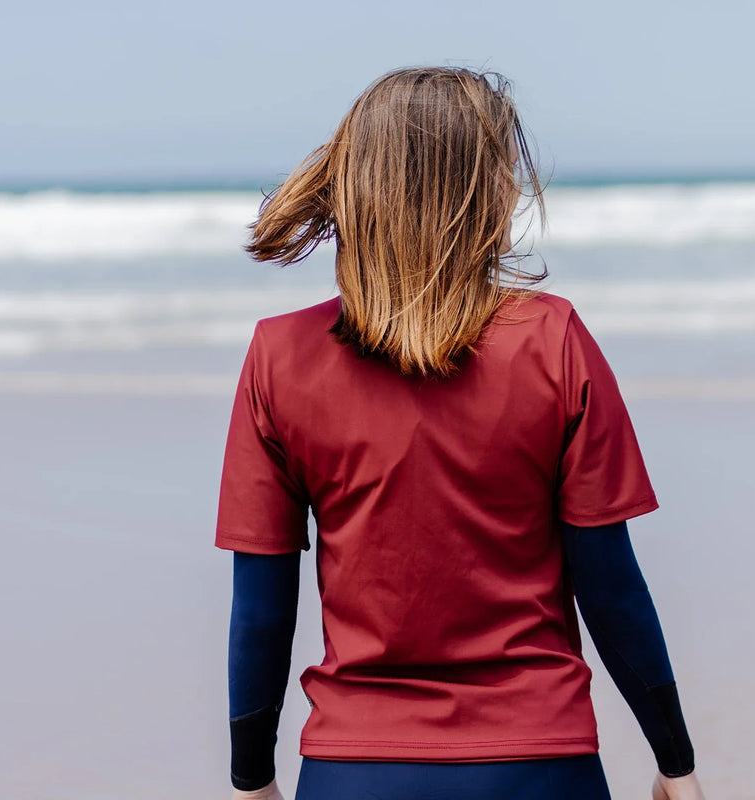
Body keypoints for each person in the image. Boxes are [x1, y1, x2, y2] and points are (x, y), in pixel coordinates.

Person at [215, 65, 706, 800]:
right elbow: (611, 587)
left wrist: (251, 780)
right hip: (541, 767)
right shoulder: (553, 341)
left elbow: (261, 608)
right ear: (483, 194)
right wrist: (675, 762)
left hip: (355, 771)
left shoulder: (280, 359)